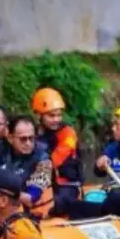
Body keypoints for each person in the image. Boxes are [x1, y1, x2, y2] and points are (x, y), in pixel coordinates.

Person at [32, 87, 83, 215]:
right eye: (51, 115)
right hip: (42, 183)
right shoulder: (32, 133)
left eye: (59, 115)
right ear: (39, 115)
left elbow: (55, 160)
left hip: (67, 185)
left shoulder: (68, 134)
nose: (56, 119)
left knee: (59, 204)